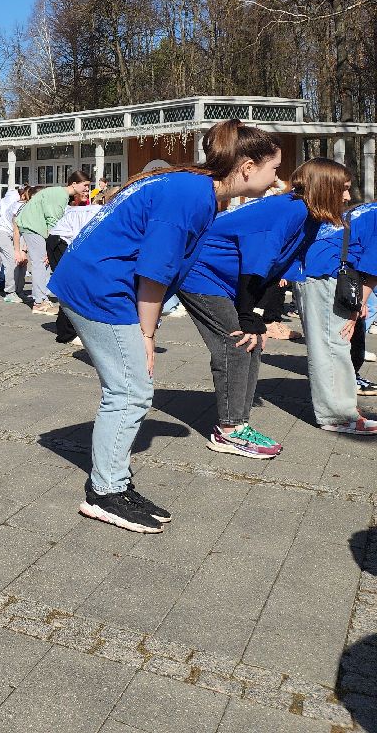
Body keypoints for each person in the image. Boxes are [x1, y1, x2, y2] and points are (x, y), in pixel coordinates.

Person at [49, 120, 282, 534]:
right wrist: (147, 335)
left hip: (99, 281)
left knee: (130, 388)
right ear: (247, 167)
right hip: (98, 287)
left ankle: (112, 481)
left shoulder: (196, 188)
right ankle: (105, 492)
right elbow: (155, 272)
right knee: (130, 390)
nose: (276, 179)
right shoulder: (191, 194)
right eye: (273, 169)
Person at [178, 158, 348, 457]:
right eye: (343, 189)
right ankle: (228, 432)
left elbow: (275, 272)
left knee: (254, 342)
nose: (347, 197)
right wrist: (246, 316)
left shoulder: (308, 216)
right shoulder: (289, 210)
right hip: (199, 274)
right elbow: (254, 267)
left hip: (226, 279)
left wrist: (256, 316)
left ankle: (239, 424)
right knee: (236, 342)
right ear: (326, 187)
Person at [291, 183, 377, 436]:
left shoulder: (368, 211)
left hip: (319, 275)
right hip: (325, 278)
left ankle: (340, 409)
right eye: (345, 189)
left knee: (332, 345)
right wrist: (358, 306)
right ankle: (338, 416)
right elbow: (373, 266)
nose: (349, 195)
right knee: (332, 346)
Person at [16, 170, 92, 313]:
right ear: (74, 184)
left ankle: (43, 298)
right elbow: (54, 224)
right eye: (85, 185)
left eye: (88, 186)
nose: (87, 189)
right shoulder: (60, 195)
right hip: (32, 226)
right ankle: (39, 303)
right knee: (41, 262)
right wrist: (50, 248)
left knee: (44, 262)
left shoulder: (61, 194)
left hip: (35, 226)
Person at [0, 185, 32, 302]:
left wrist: (24, 252)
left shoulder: (34, 209)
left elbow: (28, 231)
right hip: (3, 232)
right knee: (12, 261)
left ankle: (19, 291)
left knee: (23, 262)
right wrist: (18, 251)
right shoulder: (19, 208)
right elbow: (16, 232)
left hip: (19, 234)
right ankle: (10, 292)